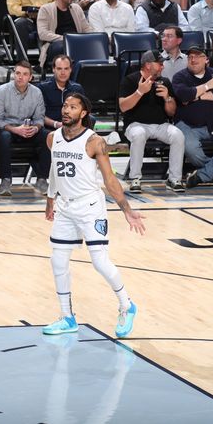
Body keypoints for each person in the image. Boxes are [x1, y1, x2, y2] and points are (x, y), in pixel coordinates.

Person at [42, 93, 144, 338]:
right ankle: (67, 317)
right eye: (65, 105)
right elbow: (54, 171)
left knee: (99, 261)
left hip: (90, 207)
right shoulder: (52, 137)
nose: (66, 110)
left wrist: (127, 210)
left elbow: (109, 179)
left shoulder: (94, 141)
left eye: (72, 107)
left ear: (83, 113)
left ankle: (127, 305)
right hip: (65, 208)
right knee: (57, 261)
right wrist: (50, 200)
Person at [118, 50, 186, 193]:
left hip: (161, 125)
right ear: (148, 65)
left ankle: (174, 179)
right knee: (139, 134)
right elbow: (123, 107)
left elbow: (171, 112)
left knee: (178, 135)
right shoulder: (130, 80)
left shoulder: (165, 82)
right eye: (159, 64)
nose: (162, 67)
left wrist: (167, 97)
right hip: (136, 124)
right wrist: (139, 92)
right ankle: (135, 178)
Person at [172, 45, 213, 187]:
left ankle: (201, 176)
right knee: (191, 149)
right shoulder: (180, 76)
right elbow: (184, 96)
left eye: (197, 56)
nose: (193, 60)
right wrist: (207, 87)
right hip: (187, 124)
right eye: (190, 57)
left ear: (206, 59)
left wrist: (196, 96)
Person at [0, 61, 49, 196]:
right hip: (7, 129)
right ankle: (6, 180)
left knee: (47, 135)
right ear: (13, 74)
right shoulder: (2, 91)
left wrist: (35, 128)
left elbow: (40, 119)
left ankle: (42, 178)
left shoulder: (37, 93)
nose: (20, 77)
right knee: (5, 136)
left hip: (27, 130)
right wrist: (15, 129)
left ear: (30, 77)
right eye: (17, 73)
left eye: (24, 74)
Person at [37, 0, 93, 70]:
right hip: (56, 44)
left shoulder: (76, 8)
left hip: (77, 41)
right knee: (64, 45)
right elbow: (43, 34)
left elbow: (86, 28)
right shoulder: (45, 9)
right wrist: (67, 39)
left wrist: (94, 37)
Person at [38, 54, 86, 134]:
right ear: (53, 69)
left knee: (90, 119)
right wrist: (56, 124)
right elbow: (38, 115)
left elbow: (84, 111)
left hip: (73, 125)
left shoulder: (77, 88)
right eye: (59, 69)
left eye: (66, 69)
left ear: (70, 70)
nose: (63, 72)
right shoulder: (42, 88)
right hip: (50, 127)